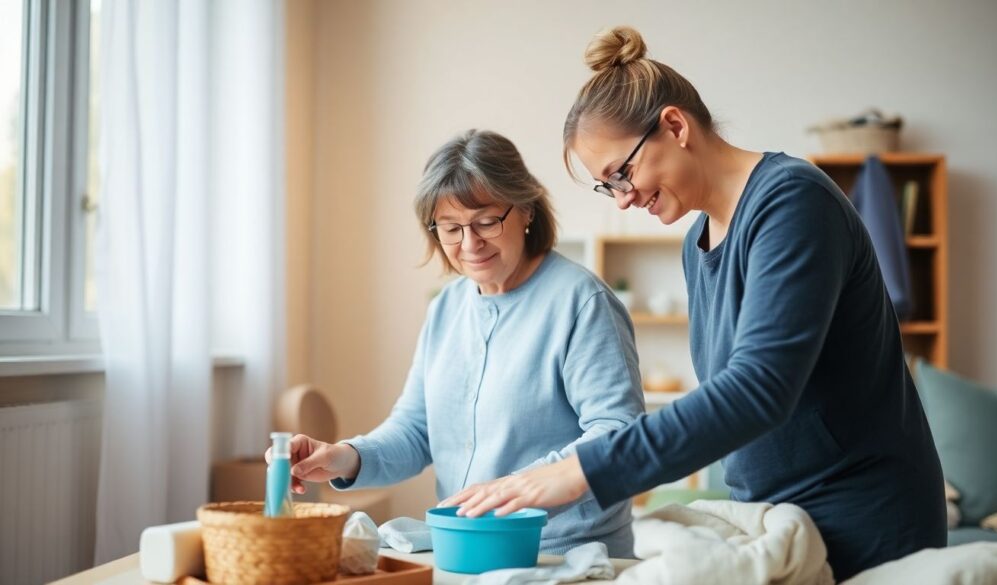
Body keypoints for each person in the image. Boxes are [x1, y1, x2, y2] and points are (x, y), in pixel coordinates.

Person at [442, 27, 946, 579]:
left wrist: (579, 469)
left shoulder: (792, 202)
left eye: (622, 173)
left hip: (864, 520)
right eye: (608, 186)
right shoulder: (697, 241)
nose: (625, 197)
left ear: (675, 126)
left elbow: (759, 390)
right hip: (776, 522)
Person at [270, 129, 645, 557]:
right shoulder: (446, 308)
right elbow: (416, 430)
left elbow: (619, 433)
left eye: (486, 221)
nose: (469, 244)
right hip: (465, 550)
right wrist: (344, 456)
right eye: (450, 228)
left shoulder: (581, 302)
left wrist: (517, 488)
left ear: (525, 209)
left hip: (565, 553)